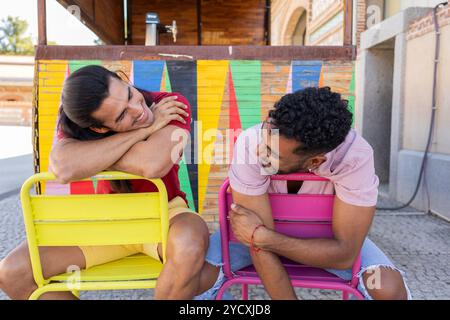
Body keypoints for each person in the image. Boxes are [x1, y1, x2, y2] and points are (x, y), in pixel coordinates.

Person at [0, 65, 209, 300]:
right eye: (121, 116)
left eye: (129, 94)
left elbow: (152, 164)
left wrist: (94, 158)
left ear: (123, 80)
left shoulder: (169, 103)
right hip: (105, 223)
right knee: (12, 272)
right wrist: (145, 132)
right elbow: (63, 167)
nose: (138, 110)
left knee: (191, 246)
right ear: (98, 128)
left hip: (166, 215)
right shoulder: (78, 118)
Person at [195, 87, 411, 300]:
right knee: (190, 279)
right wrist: (260, 238)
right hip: (254, 243)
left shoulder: (354, 156)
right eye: (266, 137)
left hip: (323, 243)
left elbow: (345, 254)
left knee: (389, 291)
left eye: (273, 154)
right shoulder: (253, 143)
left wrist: (264, 237)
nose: (262, 153)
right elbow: (256, 246)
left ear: (315, 162)